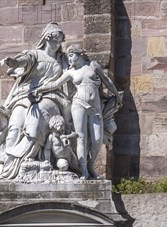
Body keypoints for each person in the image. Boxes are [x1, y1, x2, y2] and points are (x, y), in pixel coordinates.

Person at [0, 22, 71, 180]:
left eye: (61, 41)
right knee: (15, 126)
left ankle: (28, 160)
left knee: (36, 116)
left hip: (51, 97)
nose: (59, 44)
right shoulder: (35, 55)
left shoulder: (63, 60)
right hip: (25, 96)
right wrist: (13, 62)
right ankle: (8, 167)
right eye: (56, 40)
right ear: (47, 38)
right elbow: (23, 60)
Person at [35, 44, 121, 179]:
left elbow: (107, 81)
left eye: (71, 55)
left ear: (79, 53)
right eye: (68, 56)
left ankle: (91, 164)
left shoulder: (93, 65)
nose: (69, 59)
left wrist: (116, 94)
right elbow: (55, 84)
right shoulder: (71, 72)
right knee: (81, 138)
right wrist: (39, 89)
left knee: (97, 139)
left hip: (95, 107)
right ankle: (85, 170)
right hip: (78, 105)